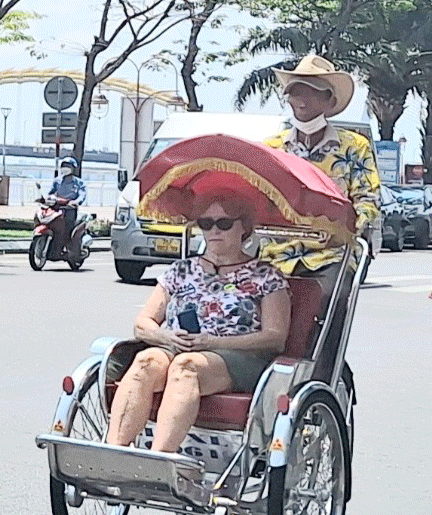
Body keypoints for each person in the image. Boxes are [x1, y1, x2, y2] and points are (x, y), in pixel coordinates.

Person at [104, 184, 292, 471]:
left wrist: (212, 342)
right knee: (144, 361)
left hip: (236, 355)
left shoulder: (266, 276)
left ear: (244, 228)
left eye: (224, 223)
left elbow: (274, 338)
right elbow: (143, 323)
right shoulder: (182, 270)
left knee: (186, 367)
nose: (214, 231)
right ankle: (113, 456)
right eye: (206, 223)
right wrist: (164, 335)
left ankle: (159, 462)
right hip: (175, 345)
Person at [261, 53, 381, 273]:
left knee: (326, 296)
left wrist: (348, 228)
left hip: (332, 255)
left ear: (329, 101)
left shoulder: (354, 146)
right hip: (276, 256)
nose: (301, 100)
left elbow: (368, 198)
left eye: (311, 92)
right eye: (295, 92)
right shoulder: (272, 148)